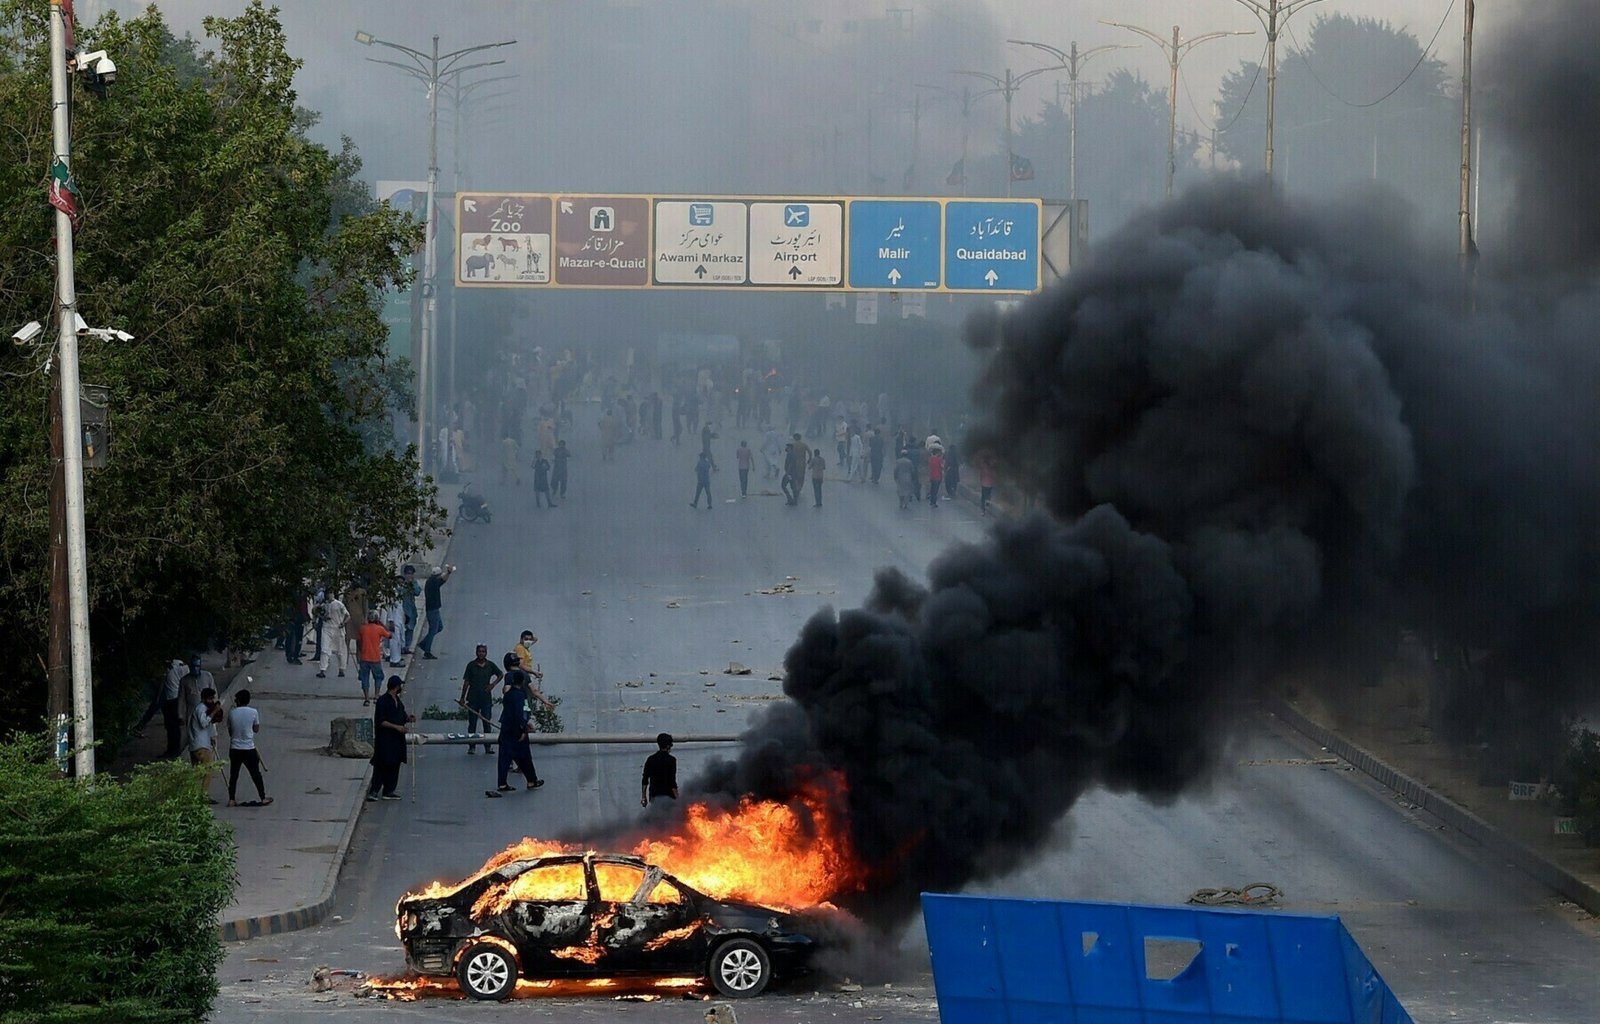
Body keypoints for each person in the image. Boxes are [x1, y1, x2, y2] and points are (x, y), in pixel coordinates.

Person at [491, 659, 549, 795]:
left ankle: (502, 783)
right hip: (517, 729)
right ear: (522, 682)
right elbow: (522, 712)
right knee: (525, 756)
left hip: (506, 728)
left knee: (504, 757)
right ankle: (531, 781)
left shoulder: (508, 695)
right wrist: (524, 727)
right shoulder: (521, 695)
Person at [366, 676, 415, 801]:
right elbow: (381, 721)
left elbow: (401, 716)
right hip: (385, 739)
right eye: (400, 686)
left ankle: (389, 790)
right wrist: (397, 727)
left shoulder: (397, 700)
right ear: (396, 687)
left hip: (397, 740)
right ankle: (374, 791)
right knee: (382, 764)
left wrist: (408, 718)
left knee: (394, 764)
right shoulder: (383, 701)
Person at [225, 689, 271, 807]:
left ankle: (231, 799)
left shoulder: (232, 713)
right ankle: (263, 797)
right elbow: (256, 729)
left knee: (234, 775)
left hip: (235, 748)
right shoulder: (253, 712)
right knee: (255, 774)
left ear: (238, 701)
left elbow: (230, 732)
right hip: (249, 748)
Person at [460, 644, 503, 755]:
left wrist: (492, 685)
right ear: (476, 652)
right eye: (479, 651)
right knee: (472, 724)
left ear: (486, 653)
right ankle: (471, 746)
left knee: (487, 723)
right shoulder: (471, 665)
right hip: (473, 698)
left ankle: (488, 746)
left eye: (483, 651)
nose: (481, 653)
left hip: (486, 699)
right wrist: (462, 698)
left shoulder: (490, 665)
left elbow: (500, 674)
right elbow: (466, 682)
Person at [187, 685, 224, 802]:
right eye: (210, 699)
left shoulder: (202, 709)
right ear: (204, 698)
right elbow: (204, 723)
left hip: (196, 745)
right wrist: (214, 712)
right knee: (208, 770)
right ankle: (203, 795)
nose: (212, 701)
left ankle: (193, 795)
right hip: (201, 745)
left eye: (212, 699)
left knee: (196, 772)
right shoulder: (201, 709)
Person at [177, 656, 215, 752]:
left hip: (207, 712)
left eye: (197, 666)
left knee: (211, 738)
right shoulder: (184, 680)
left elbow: (214, 694)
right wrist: (180, 715)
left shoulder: (207, 676)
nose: (195, 668)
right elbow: (181, 699)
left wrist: (215, 711)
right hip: (192, 714)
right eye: (193, 666)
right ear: (189, 667)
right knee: (194, 739)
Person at [355, 611, 391, 706]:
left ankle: (367, 699)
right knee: (378, 677)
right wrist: (382, 624)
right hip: (375, 658)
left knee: (364, 678)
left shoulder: (363, 629)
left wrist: (359, 653)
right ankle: (376, 696)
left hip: (364, 657)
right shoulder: (379, 629)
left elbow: (359, 642)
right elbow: (390, 635)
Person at [418, 565, 454, 659]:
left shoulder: (431, 581)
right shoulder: (433, 582)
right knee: (433, 630)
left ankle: (424, 643)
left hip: (433, 609)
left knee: (439, 627)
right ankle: (427, 651)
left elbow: (442, 580)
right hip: (432, 610)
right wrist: (448, 572)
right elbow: (443, 579)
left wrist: (448, 573)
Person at [316, 590, 350, 679]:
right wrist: (322, 617)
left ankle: (341, 669)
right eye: (328, 593)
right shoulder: (324, 605)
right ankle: (322, 670)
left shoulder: (339, 604)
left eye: (331, 593)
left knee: (340, 650)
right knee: (324, 649)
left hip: (338, 629)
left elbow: (348, 616)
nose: (329, 595)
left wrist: (343, 623)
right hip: (326, 628)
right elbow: (317, 613)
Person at [641, 732, 678, 807]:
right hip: (668, 798)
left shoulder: (650, 759)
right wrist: (678, 799)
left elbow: (645, 780)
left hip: (654, 797)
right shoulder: (671, 760)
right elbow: (672, 782)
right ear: (668, 746)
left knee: (657, 814)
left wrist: (643, 797)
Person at [399, 565, 420, 654]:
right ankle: (401, 647)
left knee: (410, 629)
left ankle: (407, 647)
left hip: (411, 610)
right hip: (402, 610)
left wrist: (411, 584)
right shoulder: (401, 583)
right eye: (408, 574)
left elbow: (417, 592)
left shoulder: (414, 583)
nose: (409, 576)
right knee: (401, 630)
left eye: (411, 574)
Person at [977, 450, 997, 516]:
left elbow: (981, 474)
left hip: (984, 483)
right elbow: (994, 475)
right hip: (990, 483)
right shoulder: (992, 467)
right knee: (988, 494)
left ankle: (983, 510)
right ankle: (987, 502)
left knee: (983, 496)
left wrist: (980, 480)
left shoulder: (983, 466)